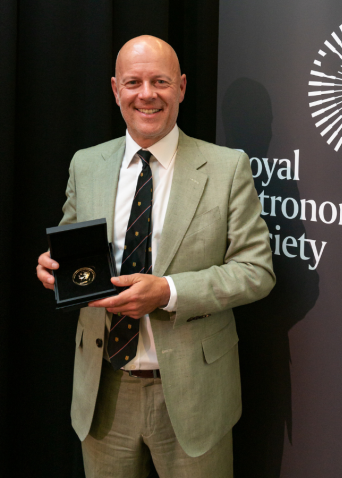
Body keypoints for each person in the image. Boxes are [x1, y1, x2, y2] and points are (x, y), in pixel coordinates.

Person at [35, 35, 275, 477]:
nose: (147, 94)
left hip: (193, 396)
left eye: (160, 81)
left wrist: (168, 291)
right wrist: (52, 267)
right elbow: (69, 246)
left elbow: (256, 271)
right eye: (134, 82)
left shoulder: (226, 168)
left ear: (181, 87)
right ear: (115, 89)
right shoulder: (85, 164)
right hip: (103, 393)